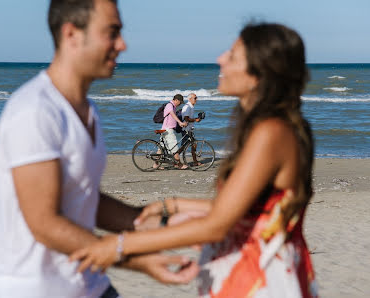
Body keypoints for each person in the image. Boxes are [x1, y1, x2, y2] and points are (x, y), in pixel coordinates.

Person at [71, 22, 318, 297]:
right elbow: (243, 208)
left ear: (258, 74)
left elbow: (217, 225)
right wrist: (171, 206)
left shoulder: (271, 133)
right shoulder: (269, 128)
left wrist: (120, 246)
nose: (220, 59)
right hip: (254, 272)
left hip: (263, 280)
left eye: (232, 55)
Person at [0, 1, 197, 297]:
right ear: (71, 35)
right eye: (111, 32)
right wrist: (138, 260)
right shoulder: (34, 111)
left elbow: (84, 198)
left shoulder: (87, 110)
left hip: (89, 284)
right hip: (28, 288)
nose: (122, 44)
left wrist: (163, 224)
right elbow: (45, 223)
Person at [160, 93, 188, 169]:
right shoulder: (170, 105)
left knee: (161, 148)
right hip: (168, 130)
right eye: (180, 102)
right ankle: (179, 165)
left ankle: (156, 164)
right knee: (174, 148)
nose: (180, 104)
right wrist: (180, 122)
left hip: (165, 129)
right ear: (176, 100)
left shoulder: (173, 106)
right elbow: (172, 114)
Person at [181, 93, 203, 166]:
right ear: (190, 99)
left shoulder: (191, 107)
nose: (196, 99)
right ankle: (176, 158)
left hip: (189, 129)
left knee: (193, 144)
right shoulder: (187, 107)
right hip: (186, 130)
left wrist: (196, 119)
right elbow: (186, 118)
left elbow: (189, 118)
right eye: (195, 98)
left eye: (196, 98)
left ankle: (195, 161)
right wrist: (195, 120)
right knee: (184, 146)